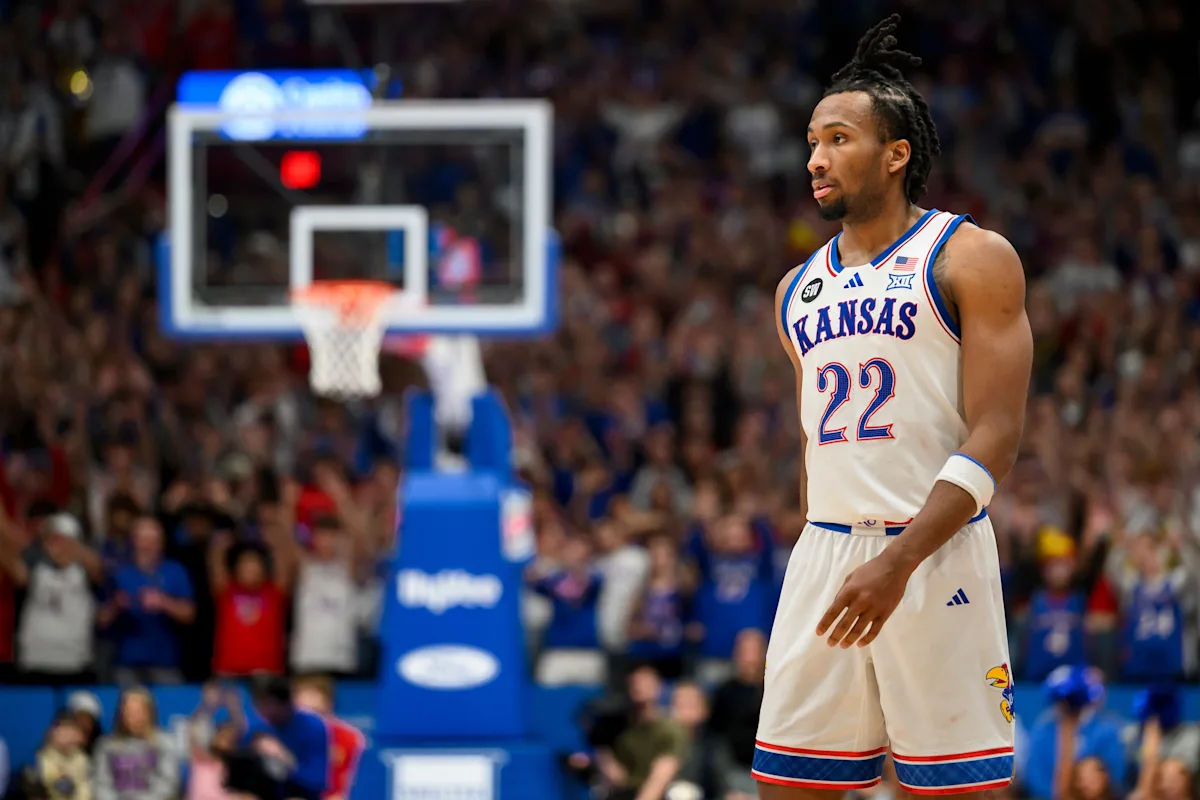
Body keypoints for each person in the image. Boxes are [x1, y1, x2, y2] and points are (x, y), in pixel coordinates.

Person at [754, 14, 1032, 798]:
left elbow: (998, 432)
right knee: (785, 785)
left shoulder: (971, 257)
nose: (816, 158)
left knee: (953, 792)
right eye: (812, 141)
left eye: (839, 139)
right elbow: (816, 448)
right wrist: (829, 545)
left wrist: (899, 560)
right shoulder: (795, 290)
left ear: (896, 153)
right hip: (827, 553)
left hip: (934, 554)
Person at [292, 676, 367, 800]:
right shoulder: (283, 735)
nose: (311, 721)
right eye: (304, 714)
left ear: (329, 704)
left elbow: (355, 782)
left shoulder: (351, 738)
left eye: (316, 712)